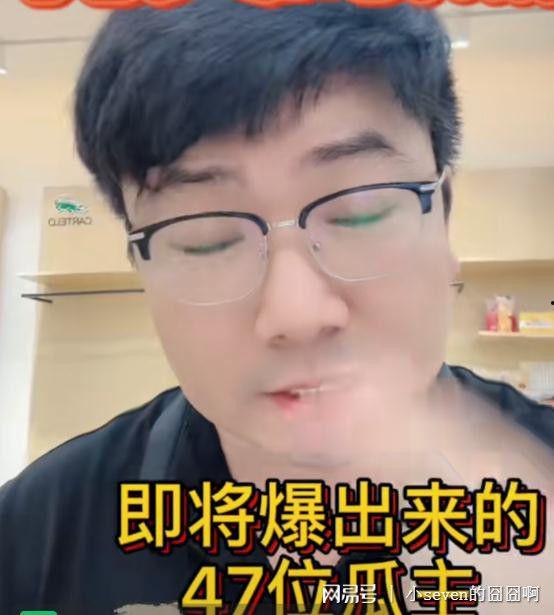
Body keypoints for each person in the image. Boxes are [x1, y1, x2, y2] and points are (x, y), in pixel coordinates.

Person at [1, 1, 553, 613]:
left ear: (443, 219)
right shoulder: (33, 539)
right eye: (207, 238)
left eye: (359, 211)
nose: (296, 313)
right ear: (141, 265)